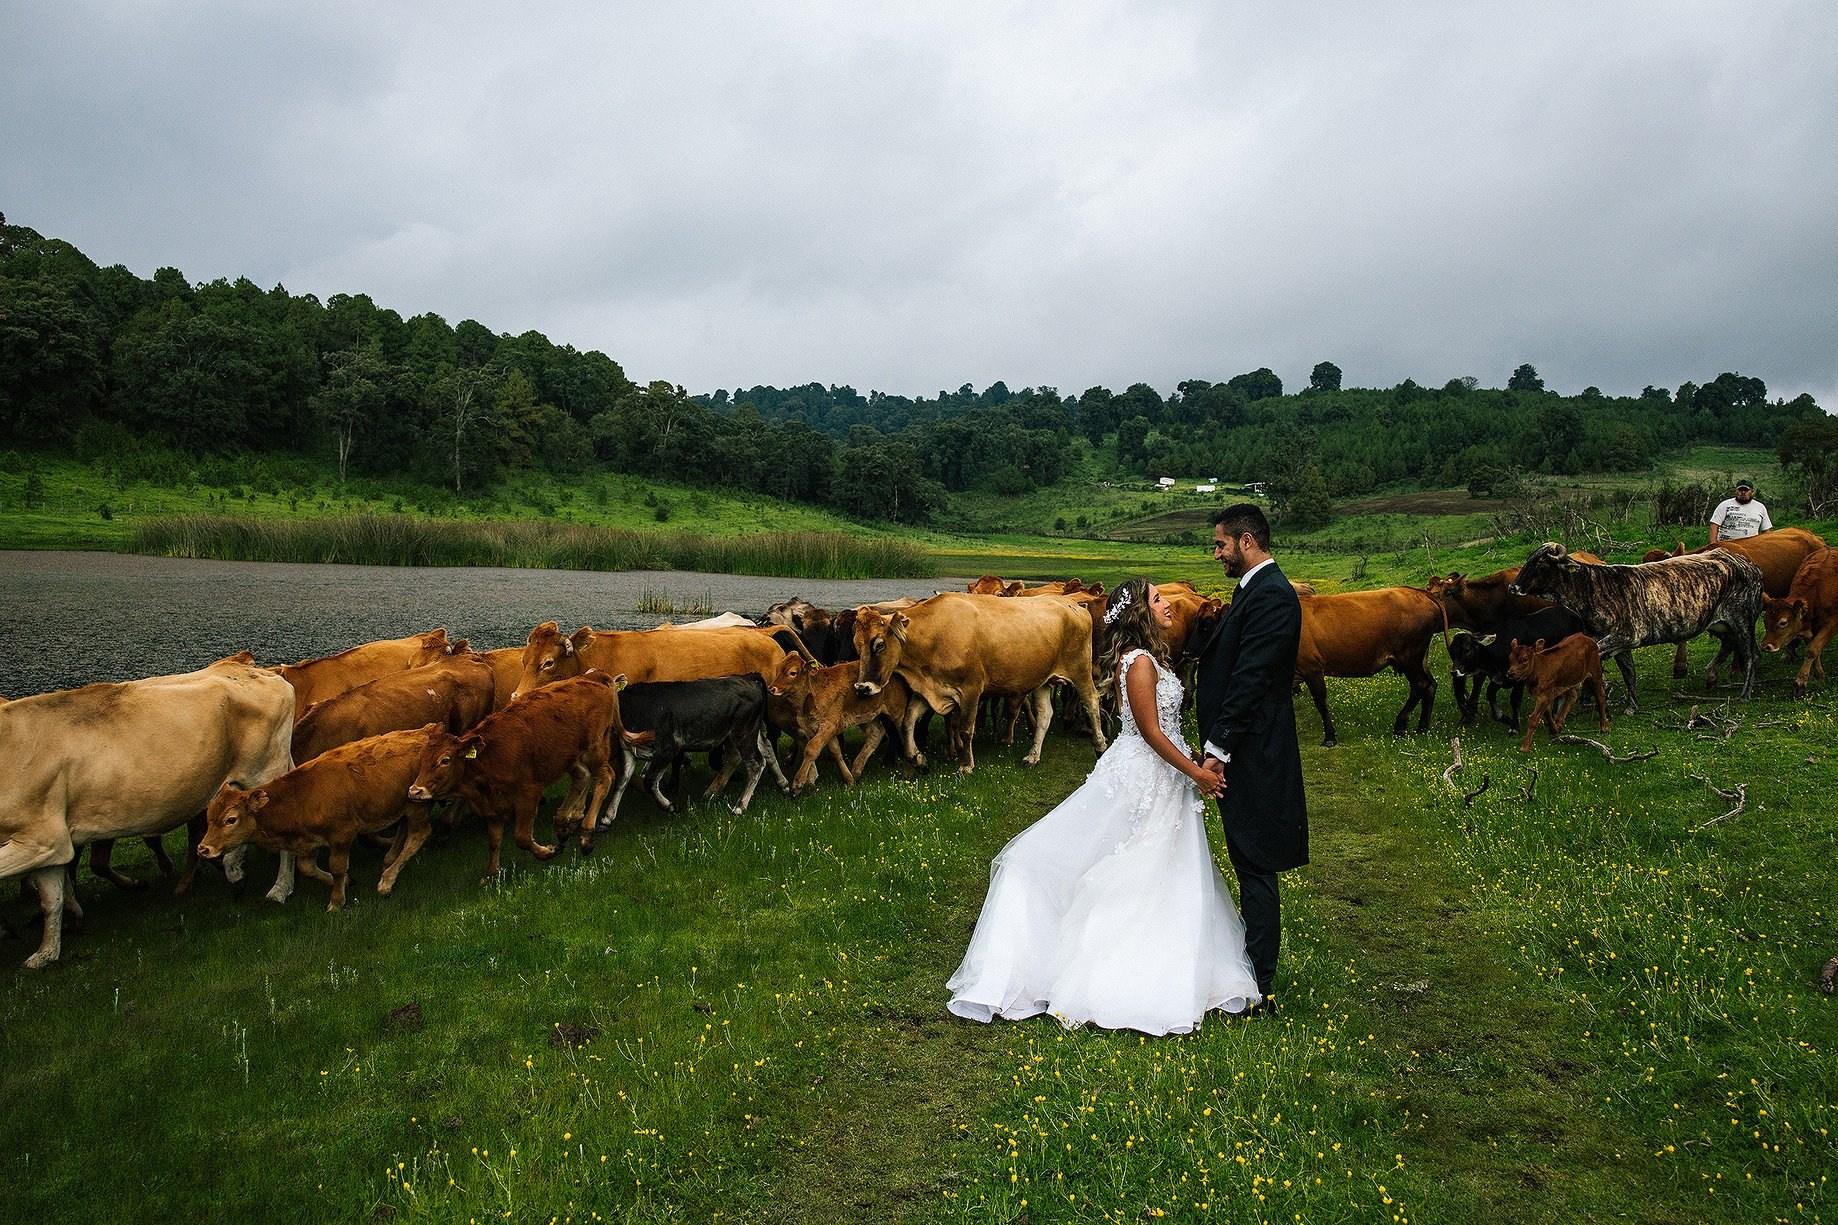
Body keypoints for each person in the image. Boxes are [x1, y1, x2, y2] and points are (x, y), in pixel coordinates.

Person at [945, 577, 1261, 1034]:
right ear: (1140, 613)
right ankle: (1116, 966)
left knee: (1165, 863)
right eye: (1157, 599)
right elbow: (1151, 733)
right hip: (1144, 774)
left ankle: (1172, 954)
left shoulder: (1150, 659)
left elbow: (1166, 729)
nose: (1168, 604)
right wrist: (1197, 774)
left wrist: (1192, 760)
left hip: (1165, 773)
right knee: (1134, 861)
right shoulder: (1137, 664)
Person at [1193, 503, 1307, 1015]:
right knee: (1247, 861)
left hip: (1254, 754)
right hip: (1245, 750)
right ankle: (1248, 968)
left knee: (1256, 866)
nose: (1216, 554)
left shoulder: (1274, 597)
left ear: (1246, 541)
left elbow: (1252, 678)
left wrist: (1217, 750)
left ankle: (1259, 984)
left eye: (1220, 545)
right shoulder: (1253, 592)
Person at [1709, 478, 1772, 543]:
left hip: (1750, 548)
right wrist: (1713, 546)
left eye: (1746, 490)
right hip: (1726, 546)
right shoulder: (1725, 505)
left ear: (1752, 491)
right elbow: (1714, 526)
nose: (1743, 493)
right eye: (1740, 490)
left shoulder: (1760, 507)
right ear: (1736, 491)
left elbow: (1766, 531)